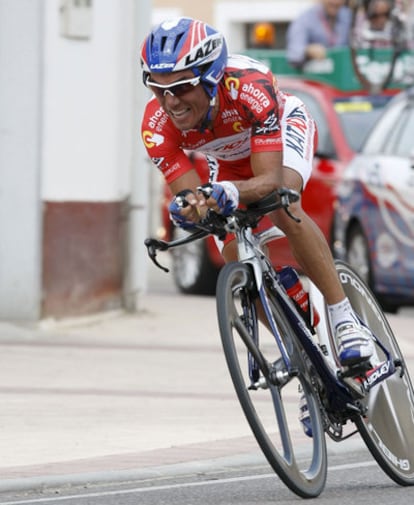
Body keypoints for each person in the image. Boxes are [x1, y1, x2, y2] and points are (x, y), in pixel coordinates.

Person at [140, 17, 373, 431]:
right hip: (228, 160)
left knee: (283, 203)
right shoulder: (156, 127)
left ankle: (343, 317)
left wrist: (232, 191)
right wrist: (192, 207)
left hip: (281, 135)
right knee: (227, 242)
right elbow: (196, 200)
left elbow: (268, 181)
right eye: (158, 88)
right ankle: (308, 361)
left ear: (211, 78)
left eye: (179, 88)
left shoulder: (249, 86)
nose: (169, 101)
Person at [286, 0, 352, 68]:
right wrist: (308, 50)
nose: (335, 2)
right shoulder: (304, 19)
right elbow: (294, 53)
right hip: (316, 76)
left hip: (343, 72)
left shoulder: (348, 16)